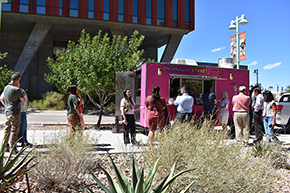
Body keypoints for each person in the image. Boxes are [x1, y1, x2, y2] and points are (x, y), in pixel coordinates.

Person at [2, 74, 25, 153]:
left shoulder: (6, 88)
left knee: (7, 129)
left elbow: (2, 98)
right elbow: (23, 100)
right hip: (15, 112)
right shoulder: (16, 90)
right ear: (17, 80)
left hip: (7, 112)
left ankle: (4, 146)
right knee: (15, 130)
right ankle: (13, 147)